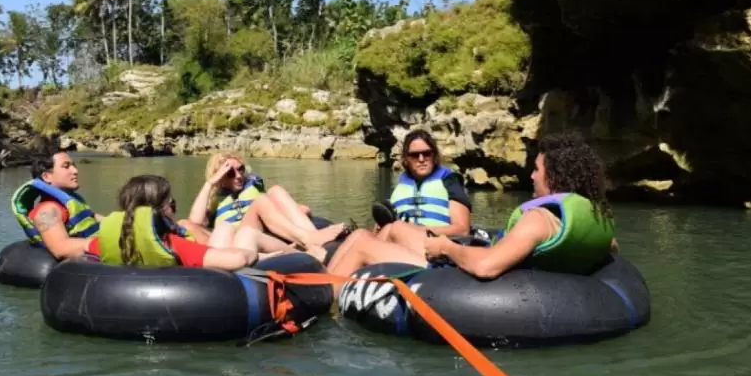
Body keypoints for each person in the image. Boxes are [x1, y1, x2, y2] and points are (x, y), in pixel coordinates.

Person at [320, 132, 617, 295]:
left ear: (554, 176)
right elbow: (609, 249)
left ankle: (318, 297)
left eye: (537, 170)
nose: (531, 177)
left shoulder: (539, 219)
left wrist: (446, 248)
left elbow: (486, 266)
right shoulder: (598, 219)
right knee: (393, 230)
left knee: (360, 241)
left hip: (463, 281)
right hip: (501, 270)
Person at [95, 174, 289, 270]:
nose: (174, 208)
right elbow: (237, 259)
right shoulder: (173, 244)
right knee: (245, 237)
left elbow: (80, 251)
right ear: (160, 210)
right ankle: (298, 253)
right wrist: (252, 253)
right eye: (172, 203)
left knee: (225, 228)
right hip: (206, 285)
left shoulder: (102, 242)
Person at [185, 153, 349, 249]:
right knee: (261, 201)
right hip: (236, 238)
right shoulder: (214, 198)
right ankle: (307, 239)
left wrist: (299, 212)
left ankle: (314, 237)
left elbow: (281, 208)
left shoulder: (253, 186)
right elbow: (195, 222)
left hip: (262, 231)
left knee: (275, 190)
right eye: (230, 173)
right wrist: (210, 182)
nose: (239, 176)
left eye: (240, 169)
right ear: (219, 176)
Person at [370, 130, 473, 254]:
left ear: (434, 155)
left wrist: (416, 230)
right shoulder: (402, 185)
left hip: (433, 247)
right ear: (406, 158)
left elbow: (462, 230)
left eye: (427, 153)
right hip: (400, 246)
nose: (421, 159)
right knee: (360, 234)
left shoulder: (449, 181)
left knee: (397, 228)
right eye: (414, 155)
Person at [10, 151, 103, 260]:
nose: (75, 171)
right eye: (66, 166)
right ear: (46, 177)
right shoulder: (47, 211)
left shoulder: (75, 203)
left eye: (74, 165)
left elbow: (101, 220)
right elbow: (60, 248)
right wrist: (108, 247)